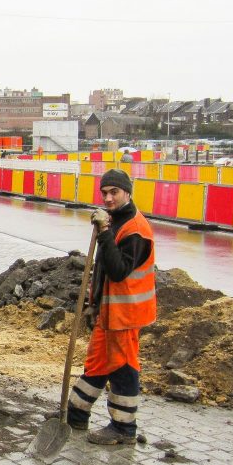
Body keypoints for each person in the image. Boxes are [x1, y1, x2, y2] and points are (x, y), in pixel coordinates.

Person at [66, 168, 156, 445]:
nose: (107, 198)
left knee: (123, 366)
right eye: (104, 192)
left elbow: (118, 271)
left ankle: (124, 428)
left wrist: (104, 231)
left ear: (127, 192)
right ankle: (75, 414)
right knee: (97, 362)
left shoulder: (135, 230)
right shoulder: (116, 222)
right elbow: (104, 271)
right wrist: (95, 304)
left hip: (126, 314)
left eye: (113, 192)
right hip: (108, 311)